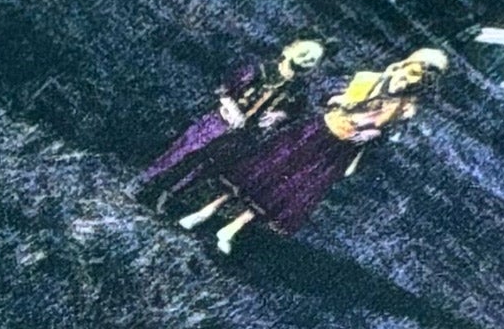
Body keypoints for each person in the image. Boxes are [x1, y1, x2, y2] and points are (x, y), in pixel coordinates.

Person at [178, 47, 451, 254]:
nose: (404, 82)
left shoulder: (404, 108)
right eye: (406, 74)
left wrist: (374, 133)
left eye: (414, 82)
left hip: (340, 149)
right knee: (266, 168)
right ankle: (206, 211)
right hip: (318, 131)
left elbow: (383, 132)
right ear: (399, 67)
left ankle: (232, 228)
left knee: (292, 188)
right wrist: (342, 103)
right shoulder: (367, 80)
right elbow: (332, 99)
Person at [133, 37, 326, 207]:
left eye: (313, 59)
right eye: (305, 52)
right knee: (184, 152)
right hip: (218, 122)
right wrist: (233, 111)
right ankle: (143, 182)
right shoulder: (260, 69)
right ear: (289, 49)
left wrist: (279, 116)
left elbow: (294, 112)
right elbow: (223, 90)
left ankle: (165, 196)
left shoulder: (298, 89)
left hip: (243, 136)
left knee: (204, 167)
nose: (307, 59)